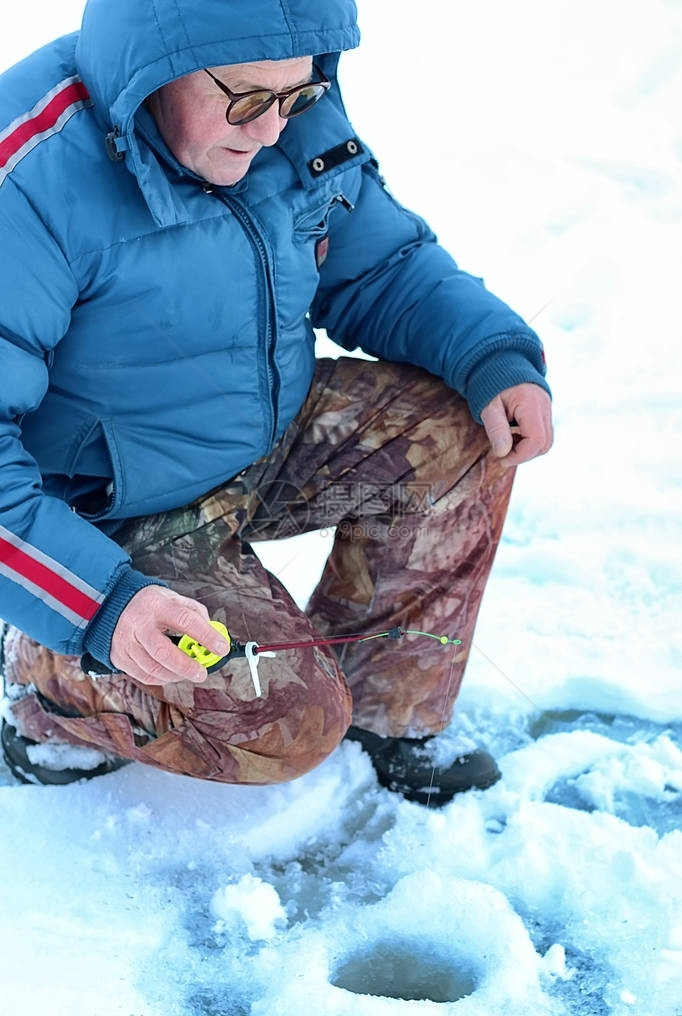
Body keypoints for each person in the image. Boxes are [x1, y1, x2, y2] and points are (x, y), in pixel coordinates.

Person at [0, 0, 552, 802]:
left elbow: (379, 264)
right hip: (108, 512)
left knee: (459, 432)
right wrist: (100, 605)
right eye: (250, 100)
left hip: (264, 436)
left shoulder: (288, 109)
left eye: (297, 97)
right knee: (286, 723)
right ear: (157, 67)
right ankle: (52, 680)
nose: (272, 132)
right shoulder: (30, 178)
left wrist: (492, 353)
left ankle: (388, 710)